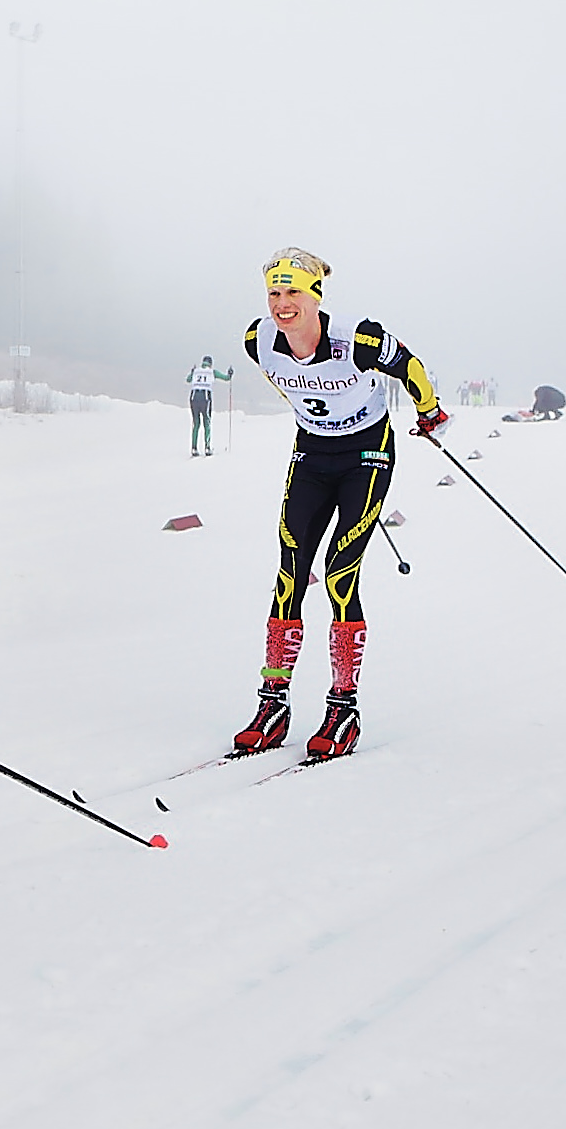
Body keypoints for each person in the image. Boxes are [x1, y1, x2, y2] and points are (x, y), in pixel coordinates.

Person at [232, 248, 446, 760]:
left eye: (293, 292)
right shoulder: (257, 340)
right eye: (274, 293)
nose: (282, 304)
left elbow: (410, 367)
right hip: (311, 454)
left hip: (366, 455)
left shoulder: (359, 338)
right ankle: (273, 704)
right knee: (290, 571)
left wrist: (430, 412)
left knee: (339, 574)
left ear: (315, 296)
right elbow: (292, 387)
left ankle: (343, 708)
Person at [186, 355, 233, 455]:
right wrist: (230, 373)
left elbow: (188, 379)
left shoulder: (196, 371)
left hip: (193, 398)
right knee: (207, 422)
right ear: (210, 364)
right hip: (205, 397)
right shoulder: (212, 372)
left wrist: (192, 371)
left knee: (196, 423)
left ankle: (194, 448)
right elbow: (226, 378)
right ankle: (207, 448)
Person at [502, 385, 566, 422]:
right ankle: (554, 414)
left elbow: (539, 401)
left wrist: (533, 411)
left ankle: (553, 415)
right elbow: (539, 403)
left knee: (544, 410)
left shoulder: (540, 391)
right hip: (560, 401)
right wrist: (533, 411)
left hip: (558, 401)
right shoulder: (544, 392)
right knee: (545, 409)